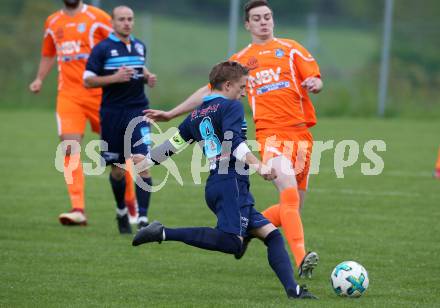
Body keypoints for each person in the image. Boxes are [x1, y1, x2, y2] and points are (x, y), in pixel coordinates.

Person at [145, 0, 322, 278]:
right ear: (247, 25)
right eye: (257, 18)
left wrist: (315, 83)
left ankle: (250, 228)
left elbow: (315, 78)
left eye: (267, 16)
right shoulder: (240, 61)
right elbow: (209, 92)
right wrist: (171, 113)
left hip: (302, 134)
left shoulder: (291, 48)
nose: (264, 22)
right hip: (270, 134)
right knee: (286, 187)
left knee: (294, 206)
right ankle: (302, 258)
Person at [132, 61, 317, 300]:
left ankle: (294, 291)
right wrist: (259, 165)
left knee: (271, 235)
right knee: (232, 243)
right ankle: (163, 233)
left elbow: (173, 145)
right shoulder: (230, 107)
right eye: (242, 87)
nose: (244, 92)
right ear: (227, 85)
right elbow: (235, 142)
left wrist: (145, 161)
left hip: (220, 184)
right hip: (231, 183)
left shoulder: (196, 114)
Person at [29, 0, 138, 226]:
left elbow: (123, 42)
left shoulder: (97, 16)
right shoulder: (52, 21)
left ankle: (129, 203)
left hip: (103, 95)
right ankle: (77, 208)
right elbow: (49, 53)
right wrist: (40, 78)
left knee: (119, 152)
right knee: (69, 147)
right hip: (69, 95)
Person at [83, 6, 156, 233]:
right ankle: (122, 211)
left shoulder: (139, 45)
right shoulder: (102, 49)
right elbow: (88, 80)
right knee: (117, 170)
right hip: (112, 113)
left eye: (130, 19)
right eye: (122, 19)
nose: (127, 23)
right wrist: (114, 78)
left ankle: (143, 219)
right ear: (113, 23)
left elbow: (138, 69)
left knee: (143, 161)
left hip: (138, 111)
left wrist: (147, 76)